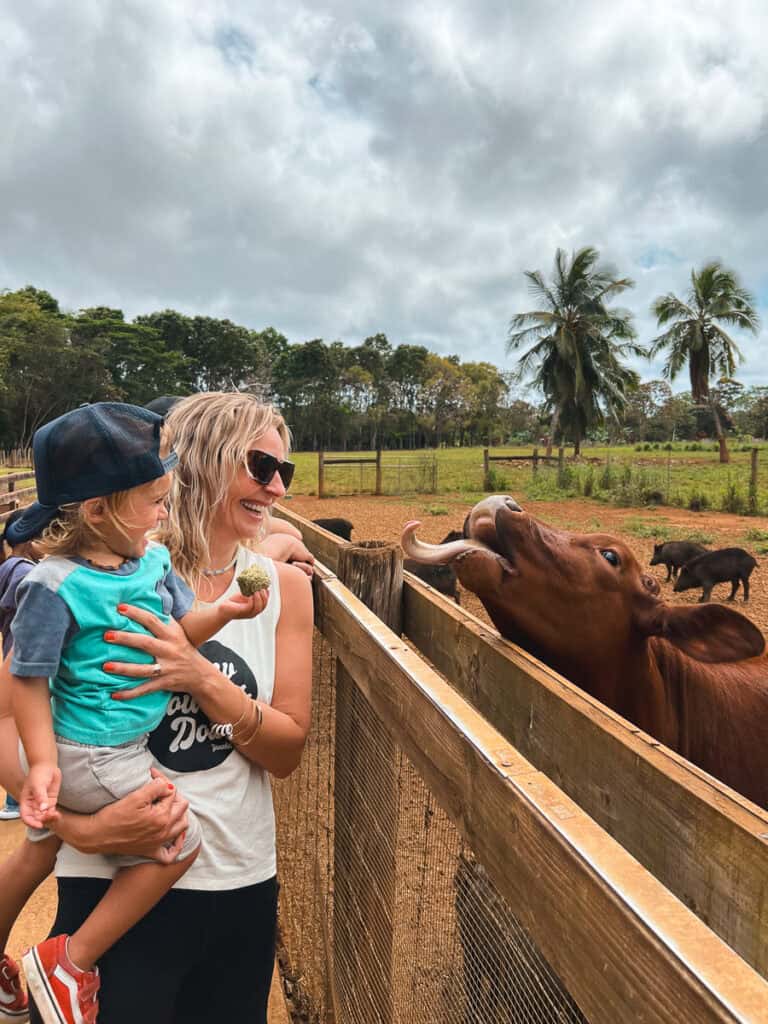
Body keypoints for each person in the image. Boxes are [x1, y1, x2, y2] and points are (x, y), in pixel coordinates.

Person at [4, 391, 313, 1024]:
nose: (278, 488)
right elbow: (9, 712)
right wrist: (78, 827)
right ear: (200, 461)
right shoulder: (80, 575)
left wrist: (201, 678)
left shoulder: (281, 589)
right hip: (107, 881)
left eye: (286, 472)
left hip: (238, 882)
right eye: (261, 467)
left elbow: (286, 750)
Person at [0, 511, 42, 823]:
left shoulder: (9, 568)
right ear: (28, 542)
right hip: (26, 660)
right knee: (25, 731)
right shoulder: (24, 573)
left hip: (14, 656)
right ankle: (18, 798)